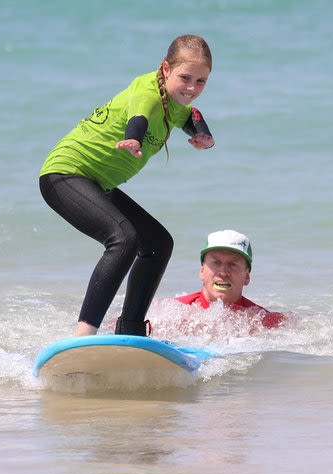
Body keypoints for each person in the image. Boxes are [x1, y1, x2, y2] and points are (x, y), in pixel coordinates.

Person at [39, 35, 215, 337]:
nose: (192, 88)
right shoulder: (147, 91)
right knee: (123, 238)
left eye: (201, 81)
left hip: (96, 182)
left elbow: (191, 115)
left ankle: (130, 332)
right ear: (165, 69)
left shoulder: (174, 101)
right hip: (65, 173)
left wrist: (203, 135)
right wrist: (134, 137)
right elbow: (139, 117)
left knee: (158, 244)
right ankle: (84, 335)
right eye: (185, 77)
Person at [175, 230, 286, 329]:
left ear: (247, 277)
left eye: (233, 264)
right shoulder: (174, 312)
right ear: (202, 271)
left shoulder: (263, 323)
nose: (223, 273)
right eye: (216, 263)